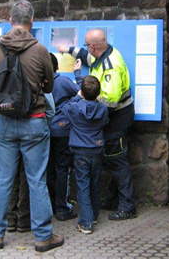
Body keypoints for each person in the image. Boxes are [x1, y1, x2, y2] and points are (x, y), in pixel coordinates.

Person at [0, 0, 64, 253]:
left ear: (10, 21)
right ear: (32, 22)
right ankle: (43, 237)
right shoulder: (40, 49)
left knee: (3, 179)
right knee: (37, 180)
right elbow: (50, 86)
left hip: (6, 122)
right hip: (34, 121)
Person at [58, 28, 137, 220]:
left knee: (118, 161)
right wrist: (68, 48)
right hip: (112, 119)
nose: (86, 48)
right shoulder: (102, 54)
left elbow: (110, 101)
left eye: (87, 44)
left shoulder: (111, 65)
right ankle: (114, 199)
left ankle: (127, 206)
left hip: (117, 119)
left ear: (94, 46)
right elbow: (87, 57)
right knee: (112, 159)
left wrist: (87, 109)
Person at [63, 75, 109, 234]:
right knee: (95, 182)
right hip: (96, 148)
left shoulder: (74, 107)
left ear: (82, 91)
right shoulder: (103, 108)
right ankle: (94, 215)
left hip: (80, 150)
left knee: (83, 185)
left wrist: (77, 96)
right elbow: (105, 122)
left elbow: (65, 108)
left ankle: (86, 222)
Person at [47, 53, 78, 221]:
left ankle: (50, 204)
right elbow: (81, 94)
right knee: (62, 168)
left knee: (48, 169)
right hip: (62, 131)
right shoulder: (63, 81)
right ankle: (62, 207)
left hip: (44, 131)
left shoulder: (39, 82)